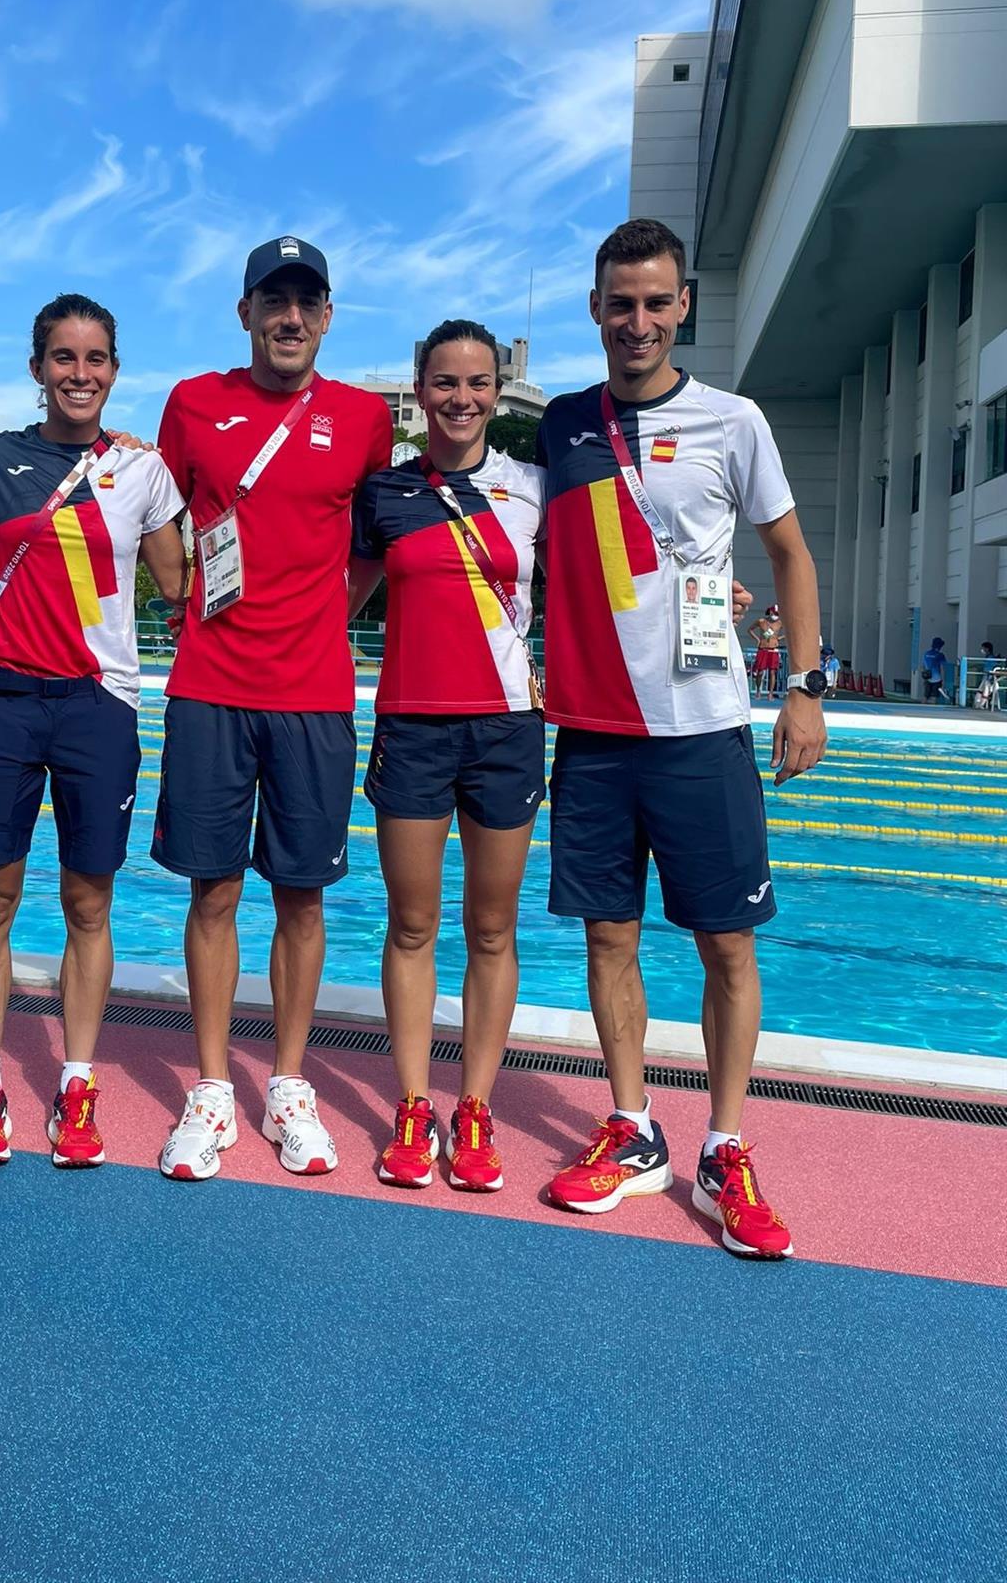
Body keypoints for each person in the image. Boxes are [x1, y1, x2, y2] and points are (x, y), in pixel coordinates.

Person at [538, 217, 827, 1260]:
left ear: (684, 307)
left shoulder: (733, 421)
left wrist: (803, 686)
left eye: (658, 302)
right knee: (608, 937)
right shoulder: (561, 425)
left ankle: (726, 1145)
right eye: (622, 303)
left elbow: (788, 554)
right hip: (595, 733)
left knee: (727, 945)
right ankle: (634, 1127)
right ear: (596, 309)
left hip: (704, 730)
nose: (640, 321)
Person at [152, 236, 392, 1180]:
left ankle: (289, 1083)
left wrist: (334, 617)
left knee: (302, 894)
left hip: (314, 693)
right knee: (213, 891)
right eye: (273, 300)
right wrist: (180, 596)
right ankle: (213, 1087)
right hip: (211, 685)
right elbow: (151, 507)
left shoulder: (365, 418)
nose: (291, 317)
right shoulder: (193, 403)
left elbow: (375, 537)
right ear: (245, 310)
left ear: (328, 317)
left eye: (308, 302)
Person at [0, 296, 186, 1167]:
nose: (79, 373)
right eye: (62, 357)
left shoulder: (143, 472)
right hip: (7, 700)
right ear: (37, 366)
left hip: (99, 707)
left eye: (95, 359)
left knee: (89, 901)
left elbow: (180, 591)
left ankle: (76, 1080)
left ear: (114, 369)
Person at [348, 320, 545, 1191]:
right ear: (420, 390)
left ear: (496, 392)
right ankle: (414, 1105)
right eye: (444, 383)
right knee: (413, 924)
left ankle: (475, 1108)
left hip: (506, 727)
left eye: (477, 383)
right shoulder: (385, 491)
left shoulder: (532, 487)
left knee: (492, 927)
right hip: (414, 726)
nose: (461, 399)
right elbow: (335, 599)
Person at [749, 603, 783, 697]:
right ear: (771, 612)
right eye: (775, 613)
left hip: (773, 649)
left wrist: (779, 638)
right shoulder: (761, 621)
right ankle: (758, 690)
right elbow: (750, 629)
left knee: (772, 671)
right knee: (760, 671)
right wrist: (757, 639)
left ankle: (770, 693)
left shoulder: (779, 623)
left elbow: (790, 631)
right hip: (763, 648)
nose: (776, 616)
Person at [921, 636, 949, 705]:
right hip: (937, 679)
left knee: (925, 696)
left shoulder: (926, 653)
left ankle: (922, 708)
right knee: (934, 697)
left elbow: (923, 666)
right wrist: (944, 680)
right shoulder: (940, 655)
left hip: (927, 677)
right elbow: (943, 668)